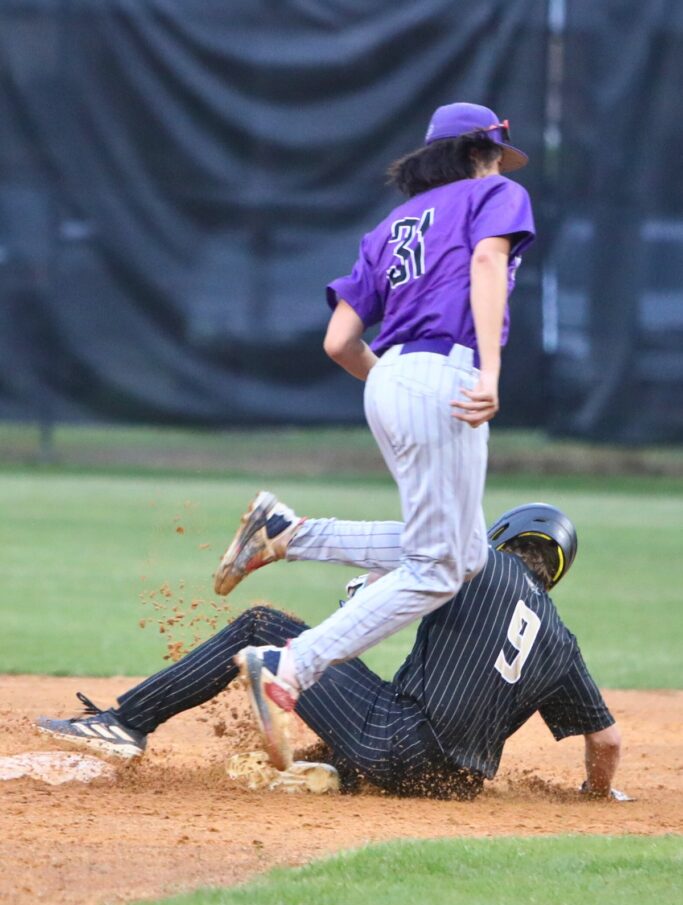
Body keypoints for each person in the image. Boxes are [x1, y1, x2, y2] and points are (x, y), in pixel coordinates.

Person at [214, 103, 536, 765]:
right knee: (438, 568)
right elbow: (483, 264)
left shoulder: (391, 226)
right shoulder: (494, 194)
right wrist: (489, 372)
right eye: (496, 153)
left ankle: (289, 534)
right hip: (446, 370)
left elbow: (338, 341)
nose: (500, 164)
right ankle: (291, 666)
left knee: (466, 553)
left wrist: (396, 386)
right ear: (481, 151)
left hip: (388, 377)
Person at [36, 503, 622, 801]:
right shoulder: (562, 641)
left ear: (502, 537)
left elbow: (367, 595)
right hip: (452, 784)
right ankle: (337, 770)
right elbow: (607, 741)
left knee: (262, 625)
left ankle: (124, 723)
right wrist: (597, 796)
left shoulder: (471, 560)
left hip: (396, 744)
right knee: (386, 703)